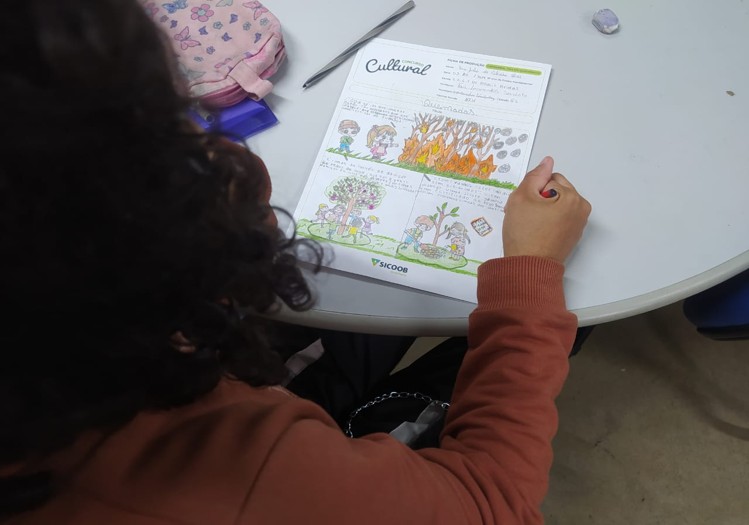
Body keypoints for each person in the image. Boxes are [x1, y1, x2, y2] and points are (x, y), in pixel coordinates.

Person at [0, 1, 591, 524]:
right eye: (171, 131)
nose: (219, 150)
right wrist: (529, 275)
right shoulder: (224, 475)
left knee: (369, 312)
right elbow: (491, 505)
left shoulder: (56, 337)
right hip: (295, 462)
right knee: (567, 320)